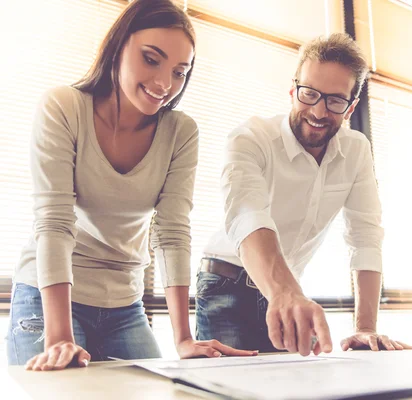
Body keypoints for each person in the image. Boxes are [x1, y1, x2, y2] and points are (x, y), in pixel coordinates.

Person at [6, 0, 255, 370]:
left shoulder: (180, 132)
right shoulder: (63, 107)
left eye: (179, 72)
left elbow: (171, 233)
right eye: (151, 59)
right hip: (48, 300)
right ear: (119, 45)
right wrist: (60, 338)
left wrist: (183, 337)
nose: (163, 84)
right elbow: (54, 223)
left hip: (124, 306)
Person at [196, 33, 412, 356]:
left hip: (288, 291)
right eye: (309, 93)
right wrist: (286, 294)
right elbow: (247, 215)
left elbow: (366, 237)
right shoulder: (250, 138)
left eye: (335, 101)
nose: (319, 111)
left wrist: (365, 327)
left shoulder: (357, 152)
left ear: (351, 106)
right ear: (293, 90)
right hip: (226, 285)